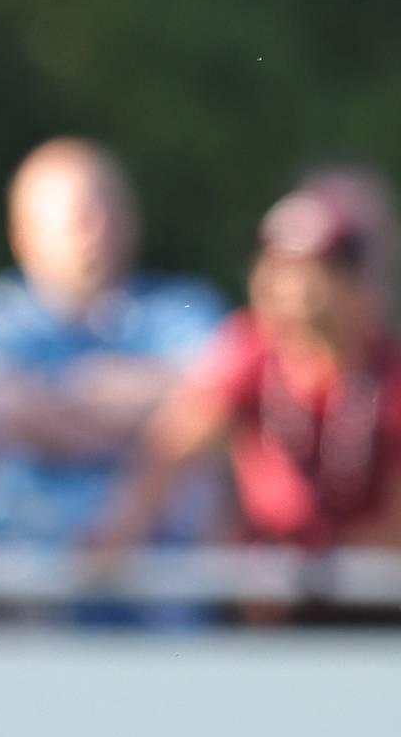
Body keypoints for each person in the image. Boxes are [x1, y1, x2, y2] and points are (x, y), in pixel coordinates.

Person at [97, 185, 401, 556]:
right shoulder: (249, 351)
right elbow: (174, 444)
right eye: (277, 265)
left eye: (310, 269)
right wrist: (120, 532)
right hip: (264, 594)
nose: (287, 285)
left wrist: (327, 563)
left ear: (350, 281)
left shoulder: (386, 374)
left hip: (373, 596)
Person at [0, 140, 223, 549]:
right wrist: (152, 425)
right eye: (79, 218)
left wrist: (48, 405)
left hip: (160, 569)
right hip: (14, 571)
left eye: (111, 211)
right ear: (21, 233)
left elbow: (216, 402)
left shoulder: (183, 308)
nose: (99, 230)